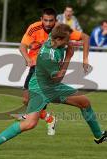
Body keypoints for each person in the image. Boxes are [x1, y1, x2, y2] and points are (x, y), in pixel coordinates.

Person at [0, 24, 107, 151]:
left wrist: (82, 56)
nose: (68, 42)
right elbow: (59, 77)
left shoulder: (53, 38)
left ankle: (99, 136)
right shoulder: (48, 56)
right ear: (58, 39)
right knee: (30, 123)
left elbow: (84, 38)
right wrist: (69, 57)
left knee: (85, 103)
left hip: (49, 85)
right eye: (67, 40)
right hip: (41, 88)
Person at [19, 8, 89, 136]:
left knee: (37, 98)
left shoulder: (60, 29)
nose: (48, 23)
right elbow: (22, 46)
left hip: (50, 67)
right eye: (45, 20)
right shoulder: (34, 28)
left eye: (51, 21)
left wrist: (85, 59)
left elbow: (84, 37)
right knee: (25, 100)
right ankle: (49, 118)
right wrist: (28, 59)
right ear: (41, 19)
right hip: (36, 65)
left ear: (55, 20)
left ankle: (38, 116)